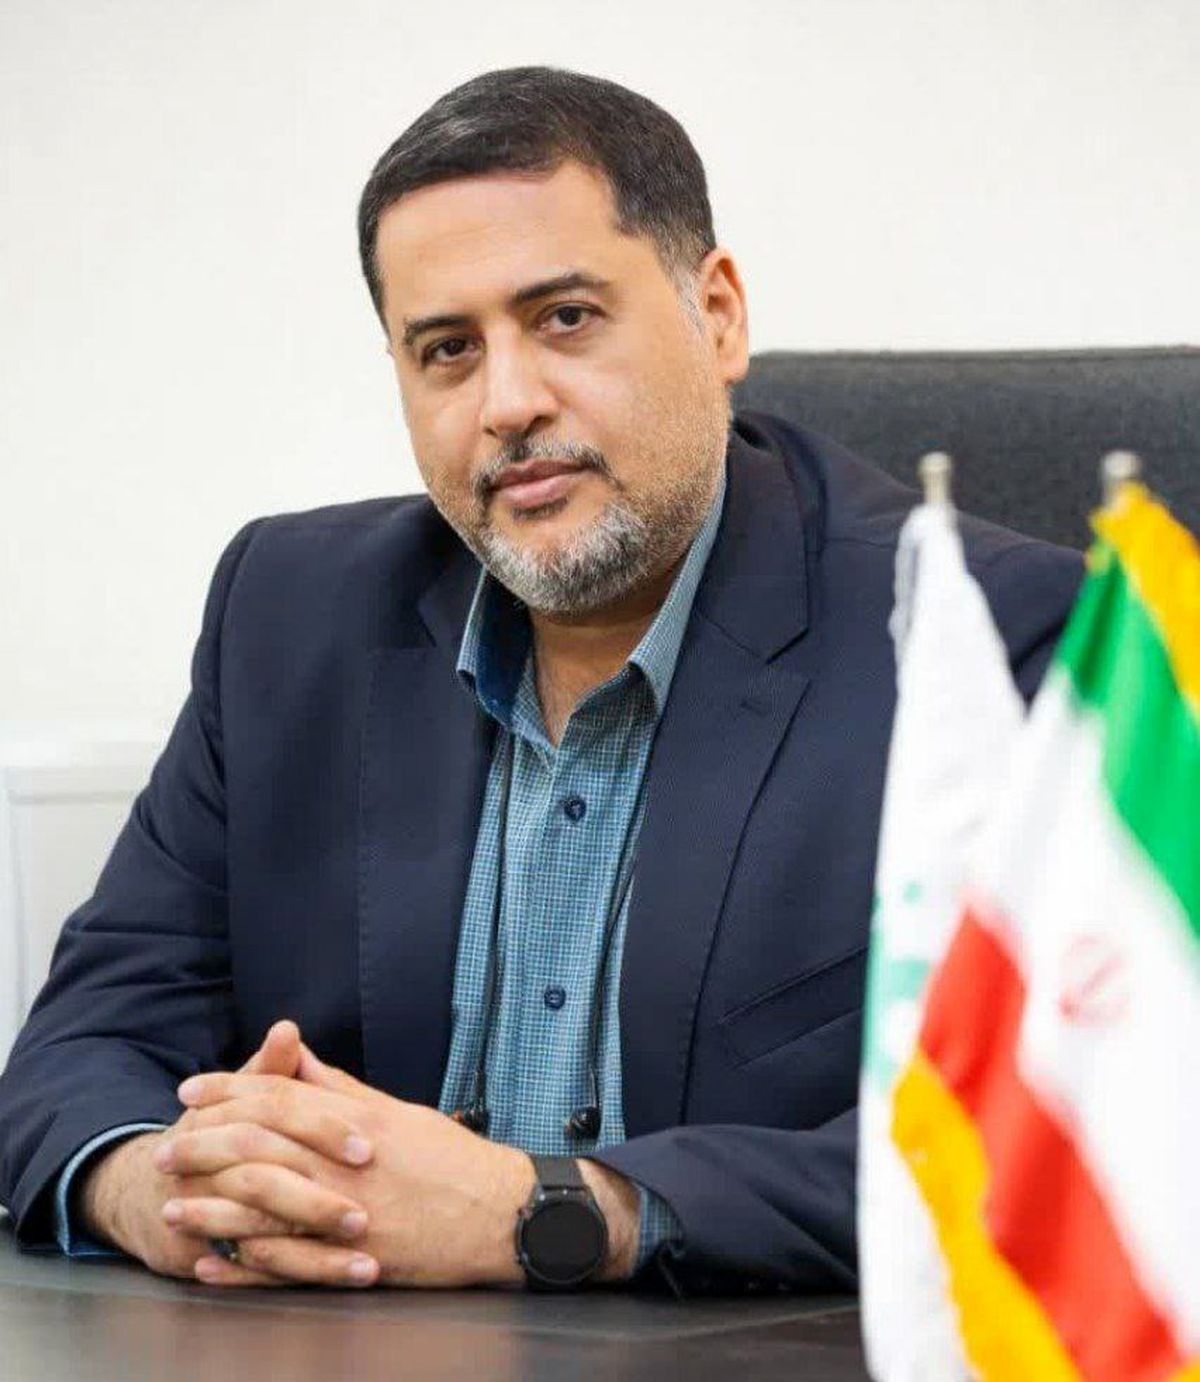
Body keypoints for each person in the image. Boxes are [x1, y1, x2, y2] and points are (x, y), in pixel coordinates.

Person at [0, 66, 1080, 1295]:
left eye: (564, 317)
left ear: (718, 315)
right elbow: (80, 1045)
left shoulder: (986, 645)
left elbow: (1069, 1143)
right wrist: (166, 1187)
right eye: (448, 350)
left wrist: (551, 1210)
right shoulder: (287, 614)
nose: (508, 403)